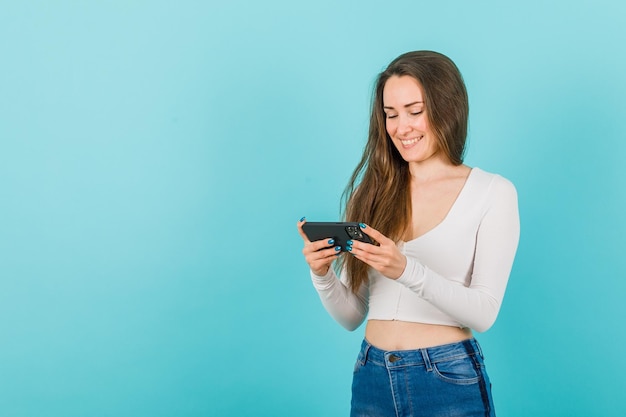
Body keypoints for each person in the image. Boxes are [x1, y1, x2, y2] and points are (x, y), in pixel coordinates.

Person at [297, 50, 519, 417]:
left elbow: (484, 313)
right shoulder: (374, 192)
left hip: (446, 377)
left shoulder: (492, 192)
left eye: (415, 111)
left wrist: (405, 269)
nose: (402, 127)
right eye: (390, 114)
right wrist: (321, 275)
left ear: (447, 108)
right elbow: (353, 315)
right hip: (371, 375)